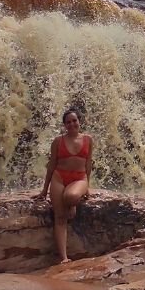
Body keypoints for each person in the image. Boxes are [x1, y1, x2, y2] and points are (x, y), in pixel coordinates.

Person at [35, 109, 93, 262]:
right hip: (59, 178)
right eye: (68, 122)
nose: (72, 124)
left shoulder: (88, 139)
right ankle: (64, 258)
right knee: (60, 217)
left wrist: (87, 186)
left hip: (80, 178)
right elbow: (51, 165)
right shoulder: (58, 141)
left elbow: (88, 164)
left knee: (71, 196)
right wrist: (44, 189)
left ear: (79, 121)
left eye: (74, 121)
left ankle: (72, 205)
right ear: (64, 125)